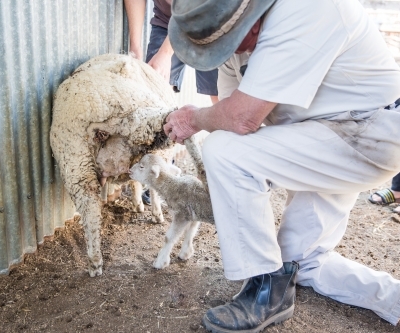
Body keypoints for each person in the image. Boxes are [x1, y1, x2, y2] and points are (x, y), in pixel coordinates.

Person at [163, 0, 400, 332]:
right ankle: (395, 301)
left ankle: (265, 290)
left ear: (250, 16)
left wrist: (194, 118)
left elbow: (242, 118)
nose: (228, 51)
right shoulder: (233, 42)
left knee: (223, 150)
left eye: (229, 42)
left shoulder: (306, 8)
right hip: (323, 140)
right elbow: (236, 120)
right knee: (301, 263)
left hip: (364, 132)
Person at [124, 0, 220, 205]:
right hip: (167, 21)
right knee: (154, 96)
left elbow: (193, 8)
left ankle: (221, 178)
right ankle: (163, 174)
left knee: (220, 99)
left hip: (209, 19)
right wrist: (136, 50)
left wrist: (166, 52)